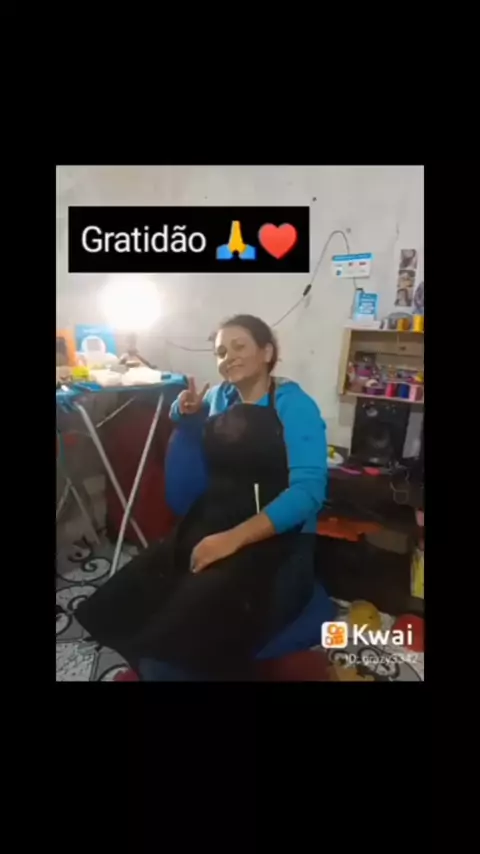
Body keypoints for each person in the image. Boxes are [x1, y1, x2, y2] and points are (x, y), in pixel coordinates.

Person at [76, 315, 328, 680]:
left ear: (266, 352)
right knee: (131, 592)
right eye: (221, 352)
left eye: (239, 346)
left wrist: (232, 540)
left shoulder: (293, 403)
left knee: (191, 625)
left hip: (276, 537)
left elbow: (308, 493)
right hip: (216, 516)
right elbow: (189, 415)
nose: (228, 357)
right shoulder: (219, 396)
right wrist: (184, 409)